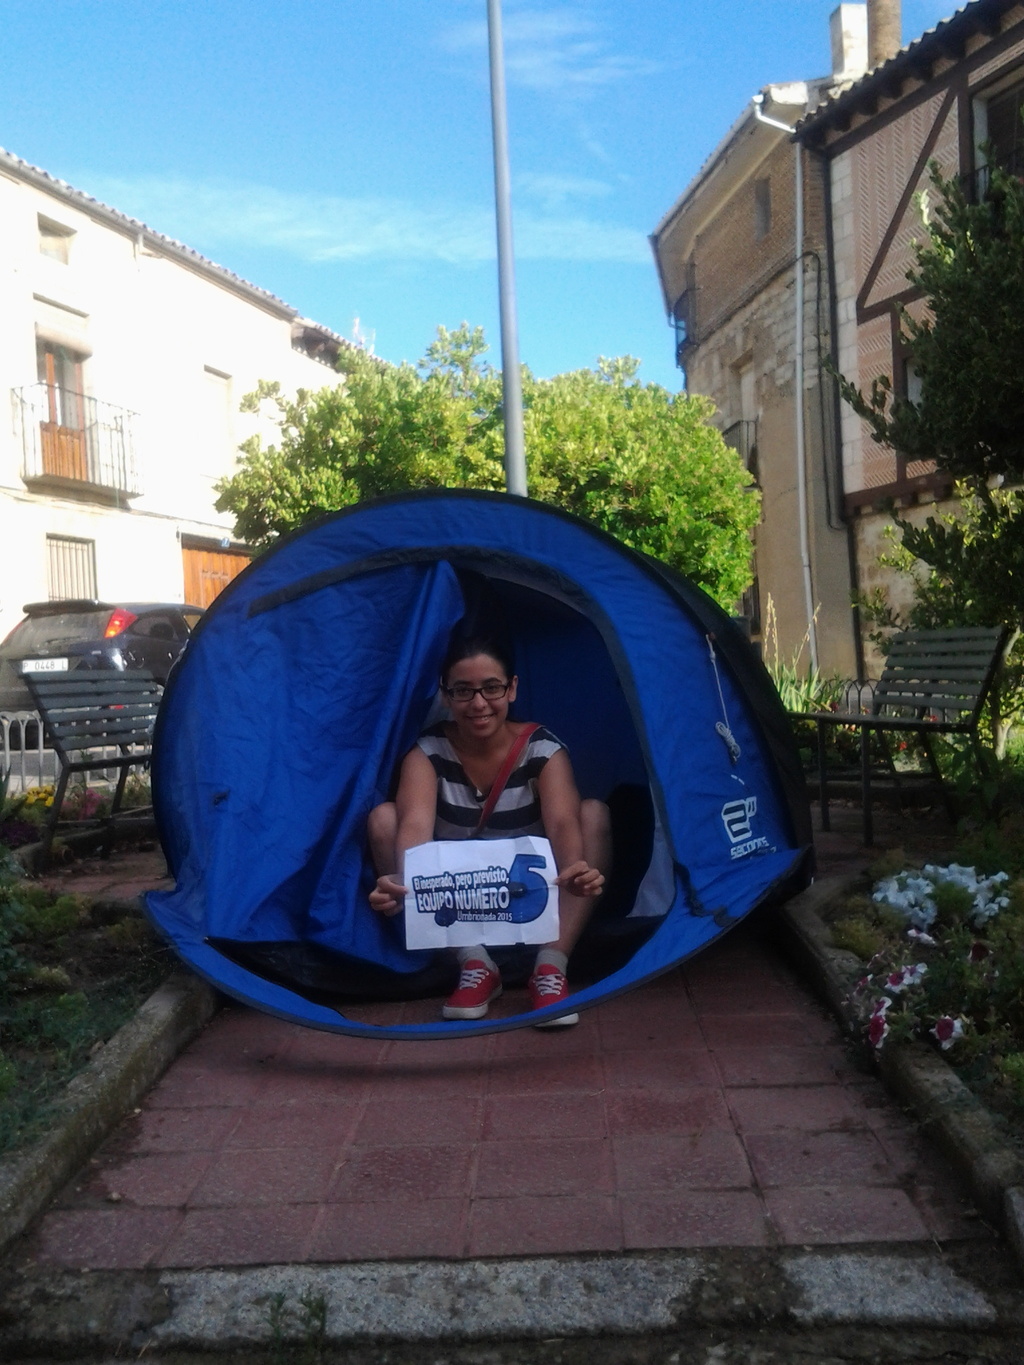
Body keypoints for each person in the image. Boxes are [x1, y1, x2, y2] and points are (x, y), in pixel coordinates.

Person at [367, 633, 610, 1026]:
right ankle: (475, 964)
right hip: (461, 905)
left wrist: (574, 868)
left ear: (512, 689)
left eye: (491, 688)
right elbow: (412, 824)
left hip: (530, 896)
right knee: (384, 818)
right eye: (463, 691)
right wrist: (405, 880)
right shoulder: (427, 753)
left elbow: (564, 821)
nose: (478, 703)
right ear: (445, 696)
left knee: (594, 813)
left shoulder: (541, 748)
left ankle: (551, 966)